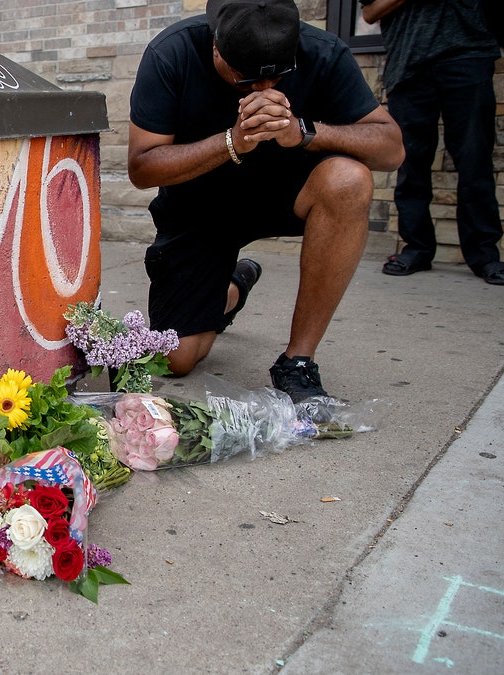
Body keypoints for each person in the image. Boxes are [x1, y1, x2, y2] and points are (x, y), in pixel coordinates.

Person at [127, 0, 404, 401]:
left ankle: (298, 361)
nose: (263, 91)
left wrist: (305, 132)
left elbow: (391, 150)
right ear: (216, 48)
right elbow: (141, 168)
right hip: (200, 206)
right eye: (246, 80)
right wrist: (233, 141)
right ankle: (234, 286)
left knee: (348, 179)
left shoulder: (322, 50)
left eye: (277, 78)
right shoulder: (172, 52)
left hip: (287, 196)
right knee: (176, 359)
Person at [363, 0, 504, 286]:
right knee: (410, 162)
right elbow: (369, 12)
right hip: (408, 62)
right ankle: (416, 249)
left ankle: (485, 255)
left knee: (475, 159)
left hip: (469, 56)